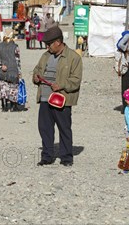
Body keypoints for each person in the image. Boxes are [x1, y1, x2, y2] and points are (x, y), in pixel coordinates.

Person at [32, 26, 83, 167]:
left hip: (61, 99)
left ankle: (66, 157)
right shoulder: (45, 56)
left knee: (64, 128)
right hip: (44, 98)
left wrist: (60, 85)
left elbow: (76, 80)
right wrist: (35, 77)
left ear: (58, 42)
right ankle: (47, 157)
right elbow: (37, 69)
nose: (47, 47)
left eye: (49, 44)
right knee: (45, 128)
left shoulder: (74, 58)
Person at [0, 30, 22, 112]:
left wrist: (1, 64)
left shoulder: (0, 46)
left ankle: (4, 106)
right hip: (13, 70)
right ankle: (13, 106)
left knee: (3, 88)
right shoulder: (15, 47)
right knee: (13, 89)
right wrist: (19, 72)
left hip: (2, 71)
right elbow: (17, 60)